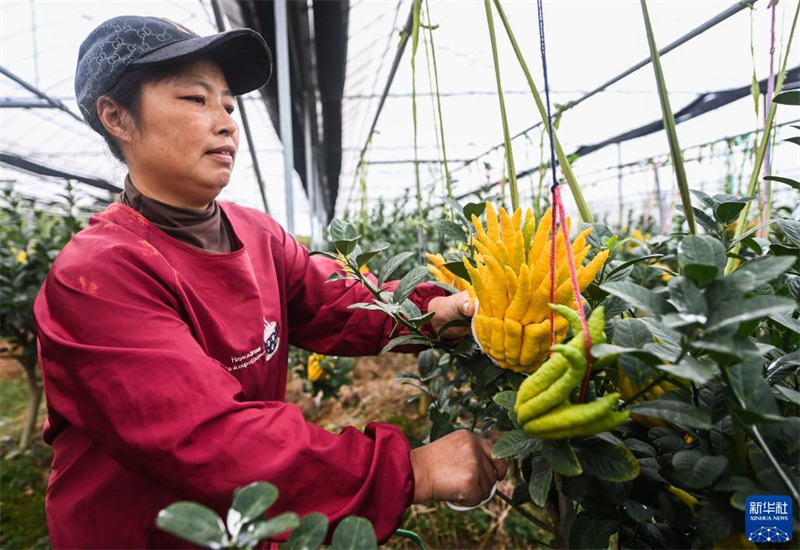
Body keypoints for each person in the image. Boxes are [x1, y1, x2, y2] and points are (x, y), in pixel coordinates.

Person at [33, 16, 507, 548]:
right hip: (140, 532)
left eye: (230, 106)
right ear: (117, 117)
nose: (227, 123)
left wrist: (434, 310)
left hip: (249, 521)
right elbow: (208, 438)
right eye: (195, 99)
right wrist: (410, 469)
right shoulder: (97, 276)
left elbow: (335, 299)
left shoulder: (256, 234)